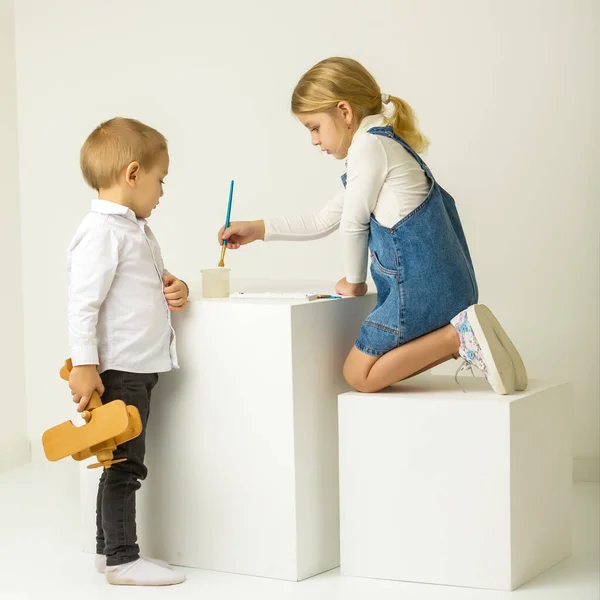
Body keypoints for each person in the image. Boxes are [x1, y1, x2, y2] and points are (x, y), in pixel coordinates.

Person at [219, 57, 527, 395]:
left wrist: (354, 282)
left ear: (344, 112)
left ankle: (459, 335)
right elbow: (323, 220)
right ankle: (464, 338)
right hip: (449, 286)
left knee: (358, 375)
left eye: (314, 127)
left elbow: (353, 223)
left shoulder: (368, 147)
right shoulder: (383, 146)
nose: (314, 140)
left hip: (420, 290)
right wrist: (258, 229)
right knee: (376, 372)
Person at [67, 117, 187, 586]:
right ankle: (122, 559)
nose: (162, 192)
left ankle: (106, 551)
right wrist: (84, 364)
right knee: (125, 464)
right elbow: (83, 303)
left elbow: (138, 284)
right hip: (120, 369)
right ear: (132, 174)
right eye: (160, 180)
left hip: (137, 365)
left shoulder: (130, 229)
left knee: (117, 460)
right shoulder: (102, 232)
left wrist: (172, 287)